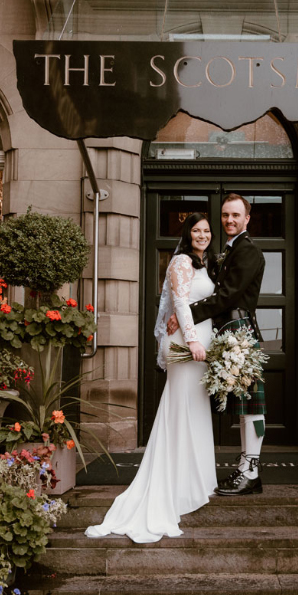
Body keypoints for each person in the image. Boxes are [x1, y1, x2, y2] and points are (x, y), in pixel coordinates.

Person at [85, 213, 217, 543]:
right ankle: (174, 484)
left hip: (203, 342)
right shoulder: (181, 263)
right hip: (189, 344)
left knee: (196, 409)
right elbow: (182, 305)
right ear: (187, 234)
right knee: (180, 408)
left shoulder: (206, 264)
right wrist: (193, 340)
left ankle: (195, 481)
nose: (202, 235)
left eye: (206, 231)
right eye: (196, 231)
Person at [169, 193, 267, 496]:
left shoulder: (248, 251)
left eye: (236, 215)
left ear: (247, 218)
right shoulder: (226, 250)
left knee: (251, 404)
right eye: (225, 215)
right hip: (227, 330)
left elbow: (228, 296)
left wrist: (188, 313)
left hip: (240, 331)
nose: (229, 220)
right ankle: (245, 470)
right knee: (242, 405)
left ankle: (251, 470)